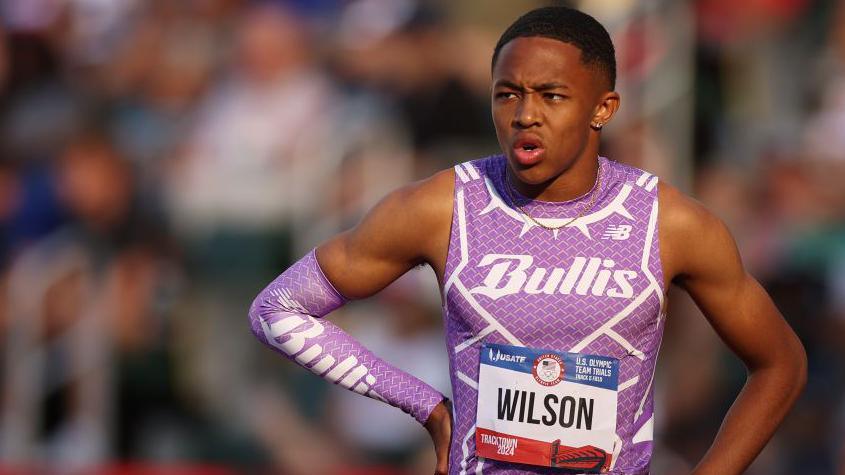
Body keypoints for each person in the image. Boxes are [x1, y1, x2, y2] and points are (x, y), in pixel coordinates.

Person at [248, 6, 806, 475]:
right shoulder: (440, 209)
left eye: (551, 96)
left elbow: (781, 365)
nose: (525, 115)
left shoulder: (672, 224)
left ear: (603, 108)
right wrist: (427, 407)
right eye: (508, 95)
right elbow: (278, 309)